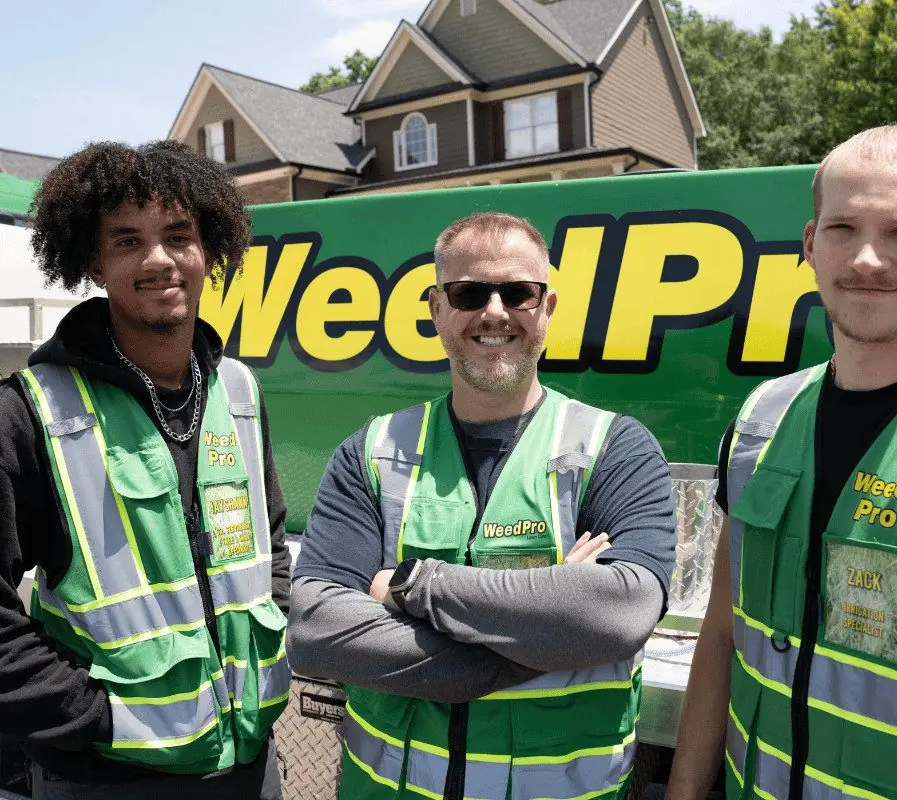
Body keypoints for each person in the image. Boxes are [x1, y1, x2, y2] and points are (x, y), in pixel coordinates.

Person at [666, 124, 897, 800]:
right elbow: (720, 638)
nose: (866, 259)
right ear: (809, 244)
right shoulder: (759, 421)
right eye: (842, 228)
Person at [287, 211, 677, 800]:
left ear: (546, 307)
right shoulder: (373, 451)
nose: (494, 311)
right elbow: (317, 626)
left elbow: (621, 610)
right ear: (436, 309)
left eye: (518, 292)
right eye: (469, 293)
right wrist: (532, 645)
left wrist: (411, 587)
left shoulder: (612, 448)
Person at [0, 141, 292, 798]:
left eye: (179, 236)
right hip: (105, 775)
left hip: (250, 766)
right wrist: (90, 719)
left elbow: (269, 543)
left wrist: (273, 638)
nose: (158, 259)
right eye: (128, 240)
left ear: (209, 251)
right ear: (94, 262)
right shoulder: (29, 412)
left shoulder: (240, 390)